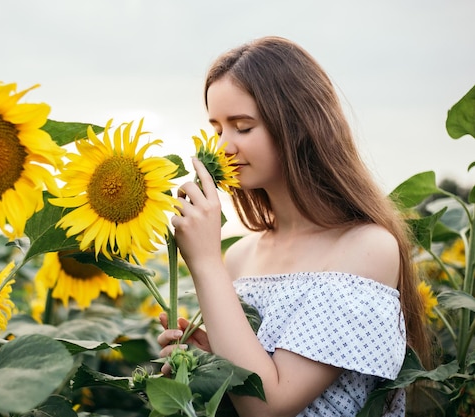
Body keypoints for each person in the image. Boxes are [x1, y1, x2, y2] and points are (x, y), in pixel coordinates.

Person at [158, 36, 429, 417]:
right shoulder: (240, 255)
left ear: (299, 125)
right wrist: (205, 363)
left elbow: (269, 407)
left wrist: (204, 261)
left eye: (243, 127)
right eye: (217, 129)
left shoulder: (366, 247)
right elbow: (243, 386)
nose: (223, 147)